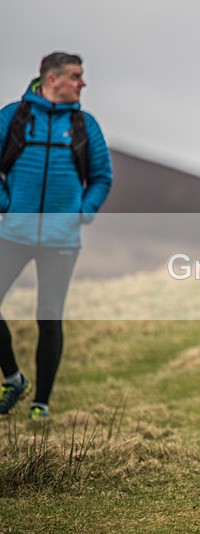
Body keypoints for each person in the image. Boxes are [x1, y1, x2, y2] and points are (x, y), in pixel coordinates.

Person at [0, 52, 112, 420]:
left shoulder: (85, 126)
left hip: (61, 241)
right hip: (13, 233)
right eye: (76, 76)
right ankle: (15, 380)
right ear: (52, 80)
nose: (82, 83)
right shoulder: (14, 117)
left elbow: (101, 177)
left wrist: (83, 212)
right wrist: (6, 203)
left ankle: (40, 405)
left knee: (49, 317)